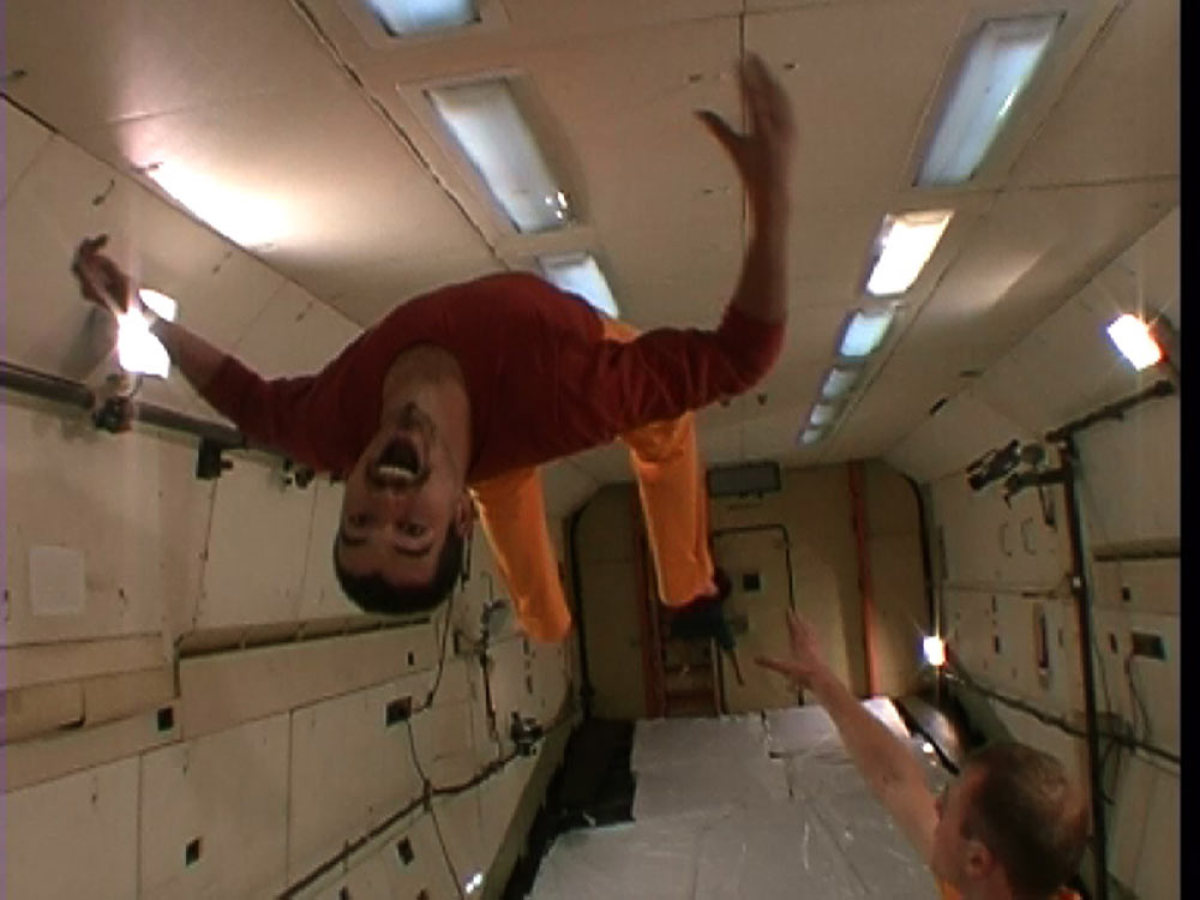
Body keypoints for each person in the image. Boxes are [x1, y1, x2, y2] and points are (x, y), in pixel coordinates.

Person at [70, 55, 795, 648]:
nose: (387, 504)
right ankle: (684, 586)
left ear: (345, 491)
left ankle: (551, 624)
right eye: (411, 529)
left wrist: (139, 312)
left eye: (361, 522)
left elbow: (247, 402)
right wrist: (770, 201)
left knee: (511, 502)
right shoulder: (573, 393)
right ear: (456, 519)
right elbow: (741, 359)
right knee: (664, 429)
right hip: (552, 368)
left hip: (486, 444)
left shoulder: (326, 428)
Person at [756, 610, 1090, 900]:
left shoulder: (971, 880)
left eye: (948, 806)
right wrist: (820, 679)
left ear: (977, 861)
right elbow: (894, 778)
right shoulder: (978, 880)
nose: (935, 805)